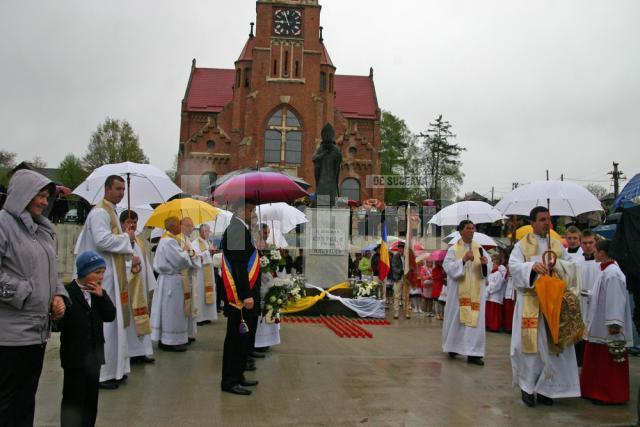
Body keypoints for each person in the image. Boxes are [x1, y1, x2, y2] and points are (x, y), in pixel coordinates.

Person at [0, 169, 68, 426]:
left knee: (26, 401)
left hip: (36, 333)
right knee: (7, 405)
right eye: (38, 195)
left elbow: (50, 272)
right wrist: (26, 294)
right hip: (9, 336)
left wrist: (58, 295)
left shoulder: (40, 230)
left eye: (46, 196)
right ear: (21, 195)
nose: (43, 201)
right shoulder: (3, 225)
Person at [509, 206, 580, 407]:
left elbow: (571, 269)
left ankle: (548, 389)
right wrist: (531, 267)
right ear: (532, 223)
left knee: (551, 348)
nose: (546, 223)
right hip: (530, 302)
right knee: (529, 348)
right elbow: (513, 268)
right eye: (542, 219)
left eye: (548, 219)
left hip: (552, 303)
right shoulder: (522, 246)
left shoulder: (557, 245)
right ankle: (528, 387)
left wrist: (556, 264)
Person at [73, 175, 136, 389]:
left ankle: (116, 369)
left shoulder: (112, 211)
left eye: (123, 189)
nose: (121, 193)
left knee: (115, 325)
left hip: (110, 275)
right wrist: (126, 239)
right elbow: (102, 241)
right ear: (107, 189)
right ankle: (103, 374)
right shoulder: (100, 212)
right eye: (118, 188)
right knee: (106, 327)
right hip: (102, 276)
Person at [59, 251, 116, 427]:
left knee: (91, 400)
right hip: (74, 357)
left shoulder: (98, 293)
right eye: (97, 272)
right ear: (84, 272)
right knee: (73, 399)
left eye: (102, 272)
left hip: (94, 356)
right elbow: (60, 324)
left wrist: (102, 297)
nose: (101, 276)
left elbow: (110, 315)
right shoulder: (68, 292)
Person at [580, 240, 633, 405]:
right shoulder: (605, 270)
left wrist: (614, 324)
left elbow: (616, 298)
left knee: (608, 362)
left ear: (602, 253)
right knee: (597, 360)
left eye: (595, 250)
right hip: (599, 325)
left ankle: (609, 394)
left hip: (608, 327)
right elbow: (601, 295)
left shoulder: (613, 273)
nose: (593, 253)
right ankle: (595, 391)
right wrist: (589, 294)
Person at [220, 200, 261, 395]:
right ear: (238, 210)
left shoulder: (242, 229)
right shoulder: (236, 230)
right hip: (239, 296)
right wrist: (246, 295)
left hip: (244, 295)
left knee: (243, 339)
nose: (252, 213)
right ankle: (230, 380)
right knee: (235, 339)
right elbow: (238, 266)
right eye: (250, 209)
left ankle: (239, 375)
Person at [442, 220, 491, 366]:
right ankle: (453, 347)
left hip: (475, 293)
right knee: (457, 320)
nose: (471, 230)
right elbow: (448, 267)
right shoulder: (453, 249)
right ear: (461, 231)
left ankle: (474, 353)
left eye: (473, 228)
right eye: (468, 228)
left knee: (474, 323)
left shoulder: (479, 248)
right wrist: (463, 260)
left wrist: (484, 264)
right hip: (458, 293)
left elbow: (488, 266)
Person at [150, 216, 195, 352]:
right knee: (172, 311)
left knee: (169, 310)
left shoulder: (167, 240)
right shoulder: (169, 241)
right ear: (172, 226)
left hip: (169, 280)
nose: (180, 227)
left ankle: (166, 340)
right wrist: (186, 253)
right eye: (178, 224)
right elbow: (180, 261)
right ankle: (171, 341)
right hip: (172, 281)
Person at [119, 211, 156, 365]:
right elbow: (118, 263)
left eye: (134, 221)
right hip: (126, 286)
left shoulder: (139, 242)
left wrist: (149, 282)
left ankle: (141, 351)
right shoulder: (119, 241)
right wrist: (130, 263)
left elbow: (145, 264)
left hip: (139, 286)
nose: (132, 224)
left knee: (141, 318)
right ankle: (130, 352)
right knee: (128, 321)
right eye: (128, 221)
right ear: (121, 223)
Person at [574, 229, 600, 366]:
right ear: (580, 243)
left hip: (596, 304)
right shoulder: (576, 262)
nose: (588, 245)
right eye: (585, 243)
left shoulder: (601, 262)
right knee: (580, 335)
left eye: (591, 242)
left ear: (595, 242)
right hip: (580, 303)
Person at [193, 224, 218, 325]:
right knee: (200, 294)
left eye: (208, 231)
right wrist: (208, 252)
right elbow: (196, 257)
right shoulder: (195, 243)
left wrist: (211, 252)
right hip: (200, 273)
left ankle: (207, 316)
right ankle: (199, 318)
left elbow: (208, 254)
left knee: (208, 293)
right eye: (206, 231)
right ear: (200, 232)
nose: (208, 233)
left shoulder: (207, 242)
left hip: (208, 271)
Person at [180, 217, 200, 342]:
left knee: (190, 304)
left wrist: (193, 255)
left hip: (190, 276)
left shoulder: (187, 240)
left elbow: (193, 255)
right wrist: (191, 255)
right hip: (183, 277)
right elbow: (184, 257)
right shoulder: (179, 239)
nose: (190, 228)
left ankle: (189, 333)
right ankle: (184, 333)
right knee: (184, 306)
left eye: (192, 226)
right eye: (187, 225)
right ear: (181, 225)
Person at [485, 250, 508, 332]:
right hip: (489, 296)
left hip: (495, 296)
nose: (492, 265)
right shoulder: (491, 273)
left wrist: (489, 288)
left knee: (494, 313)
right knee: (489, 312)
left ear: (497, 264)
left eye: (493, 263)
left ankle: (494, 327)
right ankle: (488, 325)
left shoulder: (498, 273)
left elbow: (498, 285)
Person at [391, 245, 407, 319]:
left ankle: (406, 312)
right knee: (397, 296)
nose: (401, 249)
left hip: (406, 278)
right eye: (399, 248)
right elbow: (393, 267)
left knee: (405, 296)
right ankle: (396, 312)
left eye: (402, 248)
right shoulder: (395, 257)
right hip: (398, 278)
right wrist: (401, 271)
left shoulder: (406, 256)